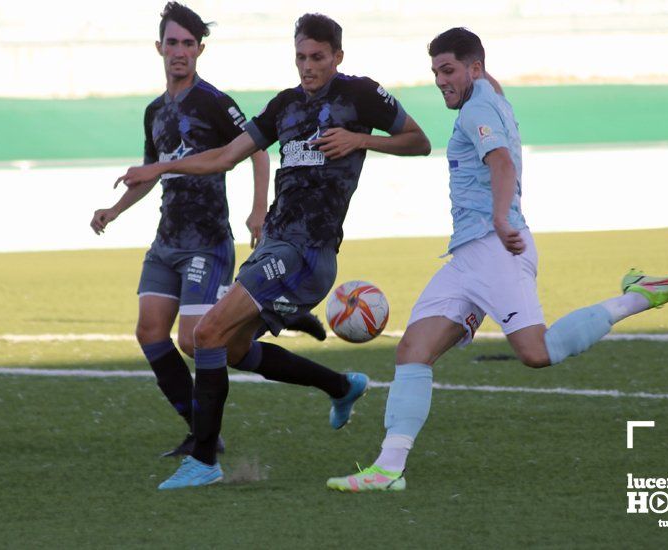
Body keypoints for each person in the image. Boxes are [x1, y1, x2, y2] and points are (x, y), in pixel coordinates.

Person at [326, 27, 668, 492]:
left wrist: (501, 218)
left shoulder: (478, 108)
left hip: (494, 246)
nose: (442, 80)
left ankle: (640, 296)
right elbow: (489, 96)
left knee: (536, 352)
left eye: (450, 70)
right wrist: (475, 75)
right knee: (413, 350)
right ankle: (388, 468)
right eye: (436, 72)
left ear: (474, 68)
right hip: (467, 256)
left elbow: (500, 162)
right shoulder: (487, 94)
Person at [115, 13, 432, 489]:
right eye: (301, 57)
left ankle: (203, 458)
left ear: (337, 57)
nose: (308, 67)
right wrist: (160, 168)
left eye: (318, 58)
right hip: (275, 247)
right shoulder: (284, 105)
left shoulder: (360, 95)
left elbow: (419, 141)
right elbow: (226, 156)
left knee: (207, 333)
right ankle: (341, 386)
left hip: (308, 251)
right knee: (232, 347)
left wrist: (360, 139)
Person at [90, 2, 275, 458]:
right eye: (172, 42)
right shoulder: (155, 111)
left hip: (206, 240)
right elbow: (153, 171)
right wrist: (114, 209)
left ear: (200, 50)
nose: (179, 51)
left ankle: (259, 320)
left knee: (193, 340)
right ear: (159, 47)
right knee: (149, 333)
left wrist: (258, 211)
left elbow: (258, 151)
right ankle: (200, 429)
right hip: (166, 241)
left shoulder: (215, 101)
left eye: (188, 44)